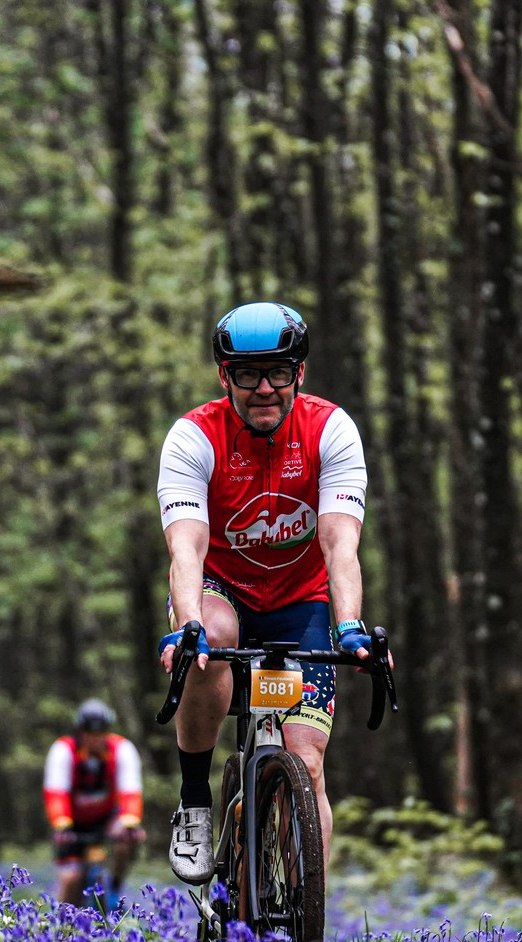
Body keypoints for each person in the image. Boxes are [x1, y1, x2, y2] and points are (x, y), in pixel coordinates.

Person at [156, 300, 375, 890]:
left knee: (307, 766)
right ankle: (196, 796)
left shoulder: (331, 429)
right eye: (247, 374)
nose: (264, 389)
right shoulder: (193, 436)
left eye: (278, 372)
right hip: (219, 589)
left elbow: (340, 545)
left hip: (301, 604)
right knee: (211, 636)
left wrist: (351, 627)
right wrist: (187, 625)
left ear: (299, 373)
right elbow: (186, 549)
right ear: (224, 376)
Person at [43, 698, 145, 906]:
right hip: (72, 824)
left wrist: (130, 823)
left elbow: (130, 792)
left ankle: (115, 888)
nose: (95, 739)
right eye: (89, 733)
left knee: (126, 840)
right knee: (71, 879)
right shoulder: (63, 750)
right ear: (79, 731)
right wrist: (62, 825)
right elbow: (55, 793)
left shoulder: (122, 749)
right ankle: (64, 928)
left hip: (107, 818)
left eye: (100, 733)